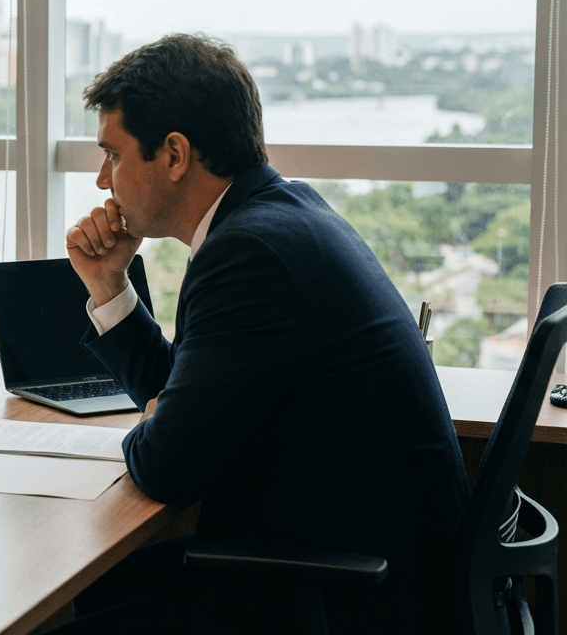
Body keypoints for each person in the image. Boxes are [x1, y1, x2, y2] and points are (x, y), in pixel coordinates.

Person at [52, 34, 469, 633]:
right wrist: (108, 284)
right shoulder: (274, 217)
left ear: (174, 155)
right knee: (104, 585)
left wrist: (159, 420)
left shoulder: (250, 253)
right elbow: (180, 395)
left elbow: (169, 464)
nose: (100, 180)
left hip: (349, 596)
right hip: (349, 563)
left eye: (112, 154)